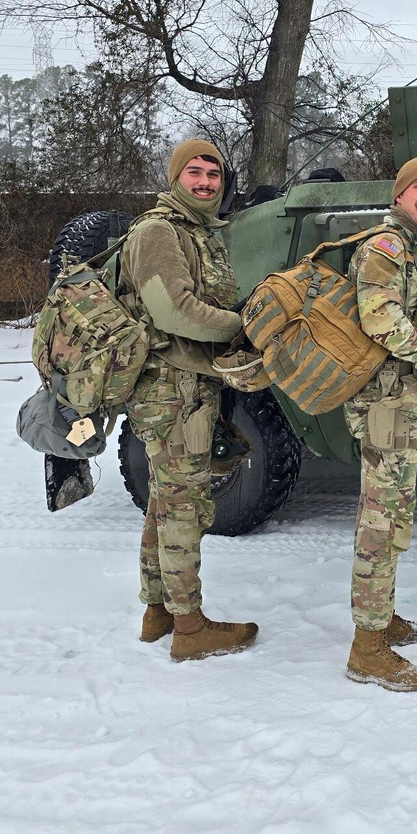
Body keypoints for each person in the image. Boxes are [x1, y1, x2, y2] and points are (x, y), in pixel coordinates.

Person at [120, 140, 258, 662]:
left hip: (184, 387)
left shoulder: (196, 232)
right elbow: (173, 312)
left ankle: (158, 612)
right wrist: (244, 327)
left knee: (163, 500)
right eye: (195, 173)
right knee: (184, 505)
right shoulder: (159, 231)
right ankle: (191, 627)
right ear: (175, 177)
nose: (206, 182)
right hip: (172, 391)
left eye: (214, 174)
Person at [343, 157, 417, 692]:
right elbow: (378, 318)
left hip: (404, 400)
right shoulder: (385, 247)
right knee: (380, 517)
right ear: (398, 195)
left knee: (395, 513)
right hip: (385, 403)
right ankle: (366, 648)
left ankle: (382, 618)